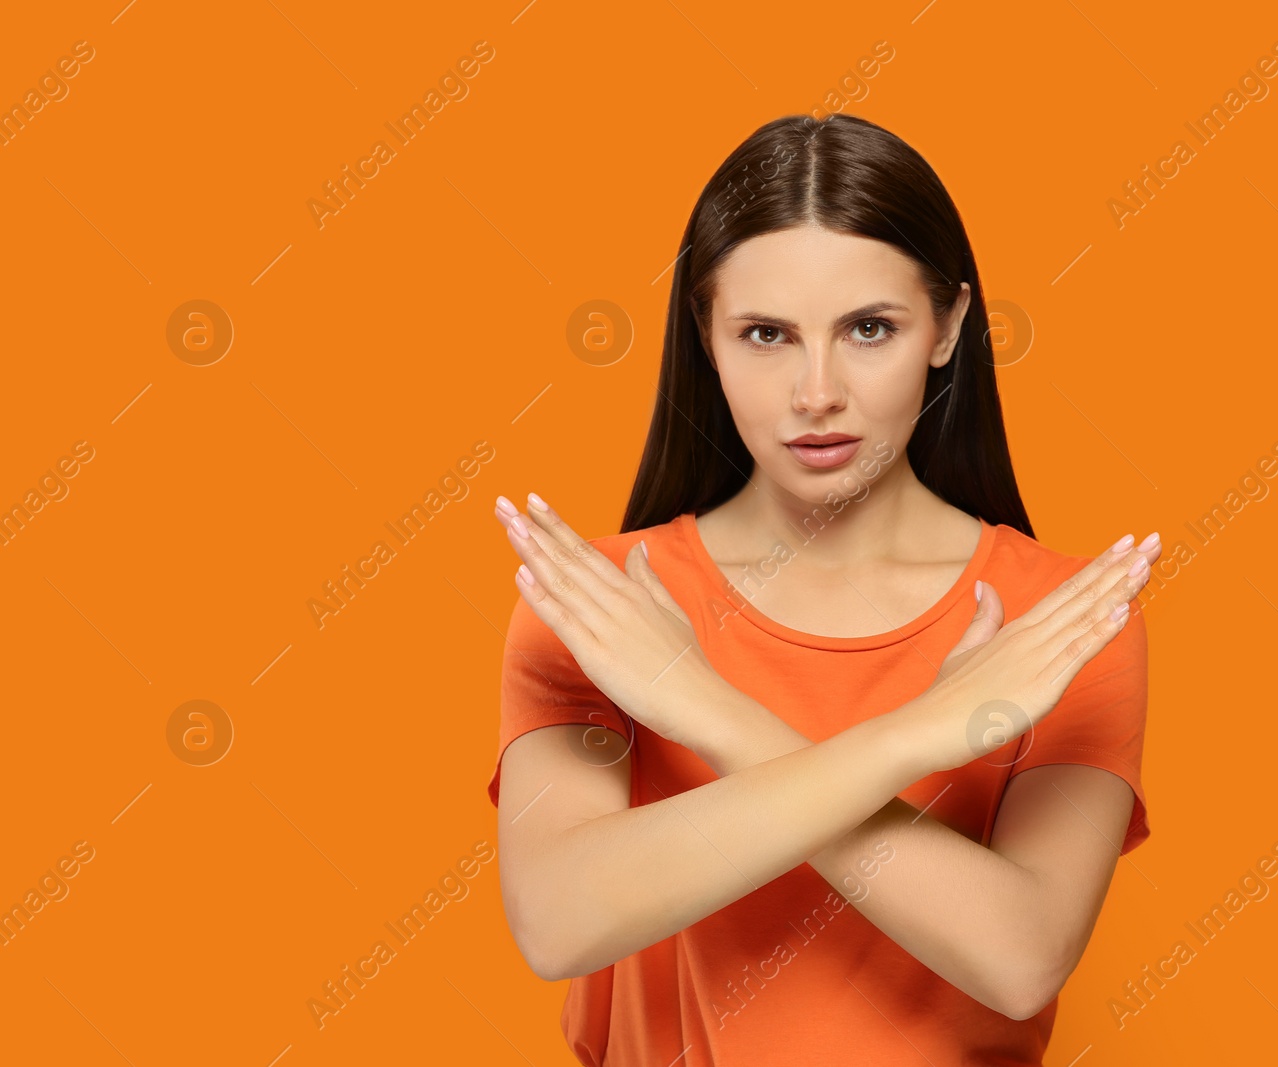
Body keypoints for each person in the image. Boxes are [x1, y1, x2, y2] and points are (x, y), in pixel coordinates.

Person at [487, 112, 1160, 1067]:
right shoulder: (600, 606)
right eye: (765, 333)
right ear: (705, 337)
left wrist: (699, 705)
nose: (816, 392)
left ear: (949, 326)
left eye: (869, 329)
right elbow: (560, 921)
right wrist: (925, 734)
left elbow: (1020, 955)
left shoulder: (1057, 624)